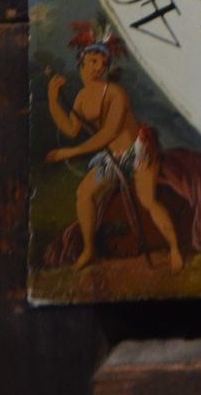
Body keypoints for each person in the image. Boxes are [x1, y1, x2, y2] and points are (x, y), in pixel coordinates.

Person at [45, 32, 183, 273]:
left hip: (139, 152)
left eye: (103, 64)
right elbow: (69, 129)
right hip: (112, 159)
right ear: (81, 63)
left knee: (148, 200)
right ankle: (89, 250)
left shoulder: (116, 93)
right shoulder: (80, 98)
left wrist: (70, 153)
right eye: (93, 62)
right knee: (84, 194)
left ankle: (174, 249)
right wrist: (52, 100)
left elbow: (107, 134)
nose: (98, 68)